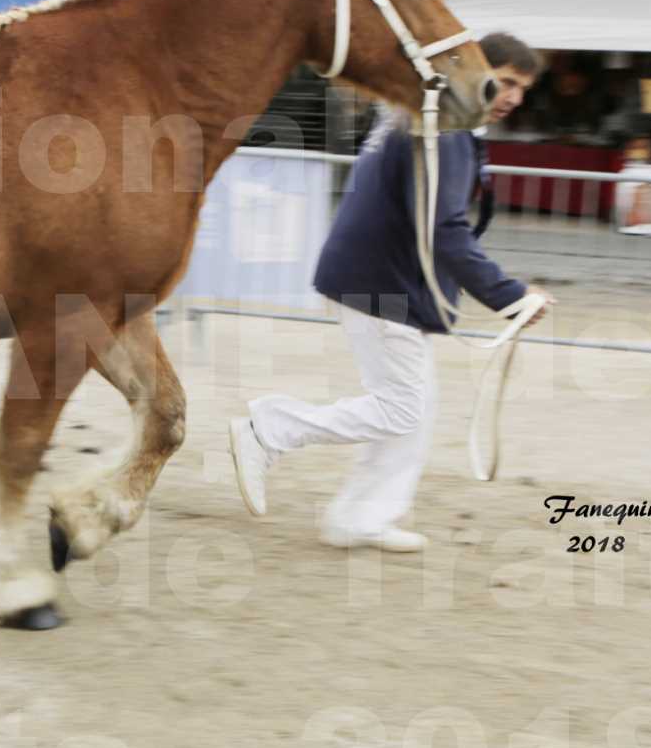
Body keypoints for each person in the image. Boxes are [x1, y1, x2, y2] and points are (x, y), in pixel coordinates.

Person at [228, 32, 555, 552]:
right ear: (472, 67)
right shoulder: (444, 129)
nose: (514, 97)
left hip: (376, 276)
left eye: (523, 88)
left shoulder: (429, 118)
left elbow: (436, 225)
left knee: (411, 406)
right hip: (380, 281)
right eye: (508, 81)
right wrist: (510, 296)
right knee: (405, 408)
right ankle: (272, 428)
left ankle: (360, 517)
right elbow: (444, 228)